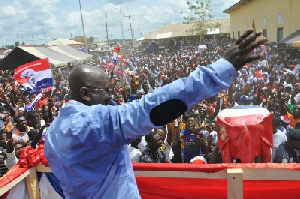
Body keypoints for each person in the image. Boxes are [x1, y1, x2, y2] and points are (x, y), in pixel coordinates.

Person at [44, 29, 265, 198]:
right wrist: (220, 69)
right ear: (86, 94)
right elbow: (152, 107)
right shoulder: (97, 122)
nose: (111, 97)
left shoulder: (52, 134)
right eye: (106, 91)